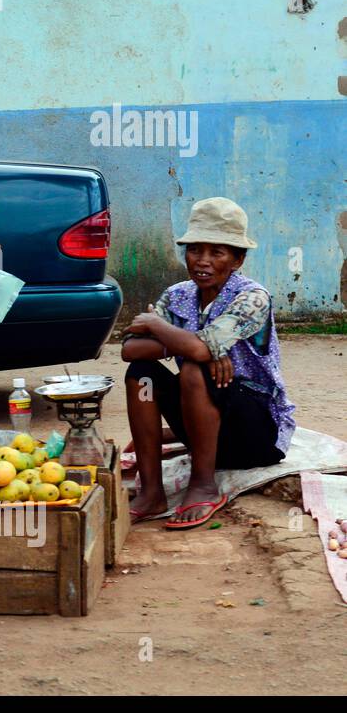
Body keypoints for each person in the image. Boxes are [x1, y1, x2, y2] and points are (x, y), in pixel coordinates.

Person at [121, 197, 296, 530]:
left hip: (255, 433)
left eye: (217, 252)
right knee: (141, 375)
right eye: (195, 250)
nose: (202, 261)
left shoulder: (252, 296)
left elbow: (197, 350)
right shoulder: (178, 295)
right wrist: (201, 346)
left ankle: (203, 485)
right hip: (202, 427)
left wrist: (156, 326)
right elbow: (130, 350)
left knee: (193, 366)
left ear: (237, 259)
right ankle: (153, 492)